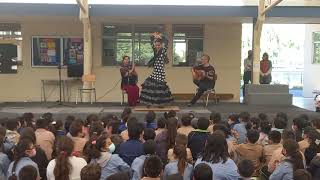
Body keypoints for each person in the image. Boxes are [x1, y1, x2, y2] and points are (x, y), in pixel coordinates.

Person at [140, 32, 173, 106]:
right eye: (156, 45)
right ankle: (149, 102)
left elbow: (166, 41)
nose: (157, 46)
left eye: (159, 45)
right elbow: (151, 41)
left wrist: (161, 35)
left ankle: (160, 103)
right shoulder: (155, 51)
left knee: (159, 88)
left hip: (160, 73)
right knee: (149, 84)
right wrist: (153, 35)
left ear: (161, 45)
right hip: (155, 72)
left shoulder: (163, 52)